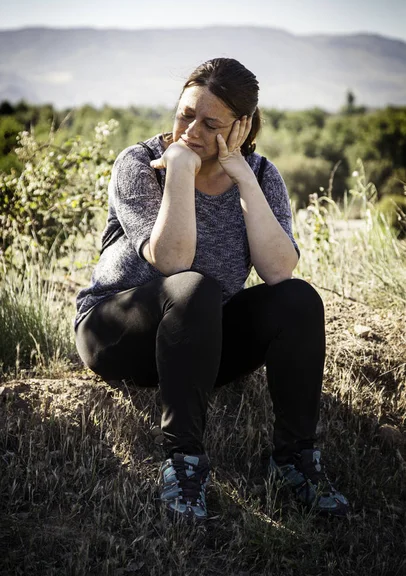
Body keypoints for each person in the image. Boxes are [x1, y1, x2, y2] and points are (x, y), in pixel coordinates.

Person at [74, 58, 349, 521]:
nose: (190, 131)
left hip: (199, 342)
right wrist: (181, 169)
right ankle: (184, 464)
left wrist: (241, 174)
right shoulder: (140, 164)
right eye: (185, 114)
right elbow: (173, 262)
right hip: (117, 332)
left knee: (299, 299)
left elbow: (280, 269)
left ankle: (294, 462)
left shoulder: (261, 176)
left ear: (241, 127)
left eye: (209, 123)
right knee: (193, 287)